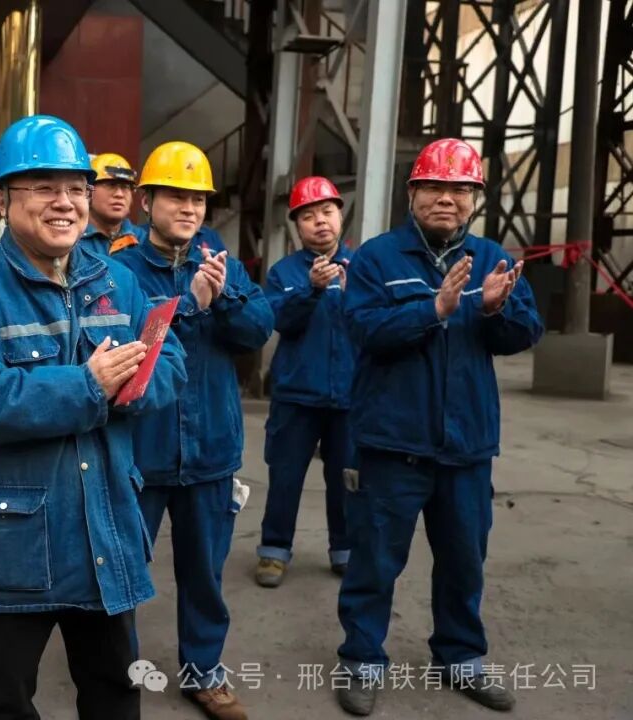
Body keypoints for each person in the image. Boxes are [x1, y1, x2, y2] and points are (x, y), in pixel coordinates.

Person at [0, 115, 187, 720]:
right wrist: (88, 386)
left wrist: (125, 389)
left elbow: (169, 360)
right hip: (12, 544)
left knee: (115, 691)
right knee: (6, 700)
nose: (64, 202)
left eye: (75, 187)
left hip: (104, 528)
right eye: (43, 187)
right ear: (2, 199)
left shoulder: (116, 281)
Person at [334, 139, 544, 716]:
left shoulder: (491, 257)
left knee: (463, 562)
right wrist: (434, 310)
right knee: (375, 562)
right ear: (412, 194)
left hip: (467, 446)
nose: (446, 198)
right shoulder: (377, 258)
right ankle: (362, 660)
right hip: (392, 444)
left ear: (475, 199)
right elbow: (364, 330)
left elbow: (526, 333)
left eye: (460, 189)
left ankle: (461, 657)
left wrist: (497, 308)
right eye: (434, 187)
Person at [112, 140, 274, 720]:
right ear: (146, 201)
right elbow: (126, 340)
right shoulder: (121, 269)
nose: (188, 208)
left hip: (210, 451)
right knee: (124, 570)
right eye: (176, 196)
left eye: (198, 199)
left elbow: (259, 328)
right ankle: (118, 675)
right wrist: (190, 304)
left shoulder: (221, 261)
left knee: (204, 573)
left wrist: (223, 296)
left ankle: (203, 671)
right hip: (142, 450)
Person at [255, 176, 352, 588]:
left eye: (327, 212)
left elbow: (374, 326)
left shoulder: (362, 269)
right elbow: (278, 320)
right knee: (286, 477)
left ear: (340, 216)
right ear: (297, 226)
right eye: (309, 216)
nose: (320, 222)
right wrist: (311, 291)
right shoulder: (284, 273)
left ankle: (345, 550)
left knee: (347, 480)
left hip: (348, 396)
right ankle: (274, 550)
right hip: (296, 395)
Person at [82, 152, 138, 256]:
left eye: (125, 187)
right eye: (111, 185)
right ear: (88, 191)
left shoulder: (145, 242)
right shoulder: (71, 239)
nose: (119, 194)